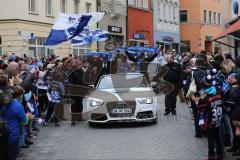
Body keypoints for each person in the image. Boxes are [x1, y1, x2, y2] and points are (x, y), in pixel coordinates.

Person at [194, 75, 224, 160]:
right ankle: (220, 155)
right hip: (218, 119)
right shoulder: (217, 91)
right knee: (217, 137)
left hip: (209, 120)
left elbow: (199, 106)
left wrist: (196, 100)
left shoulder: (204, 94)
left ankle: (211, 156)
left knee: (210, 139)